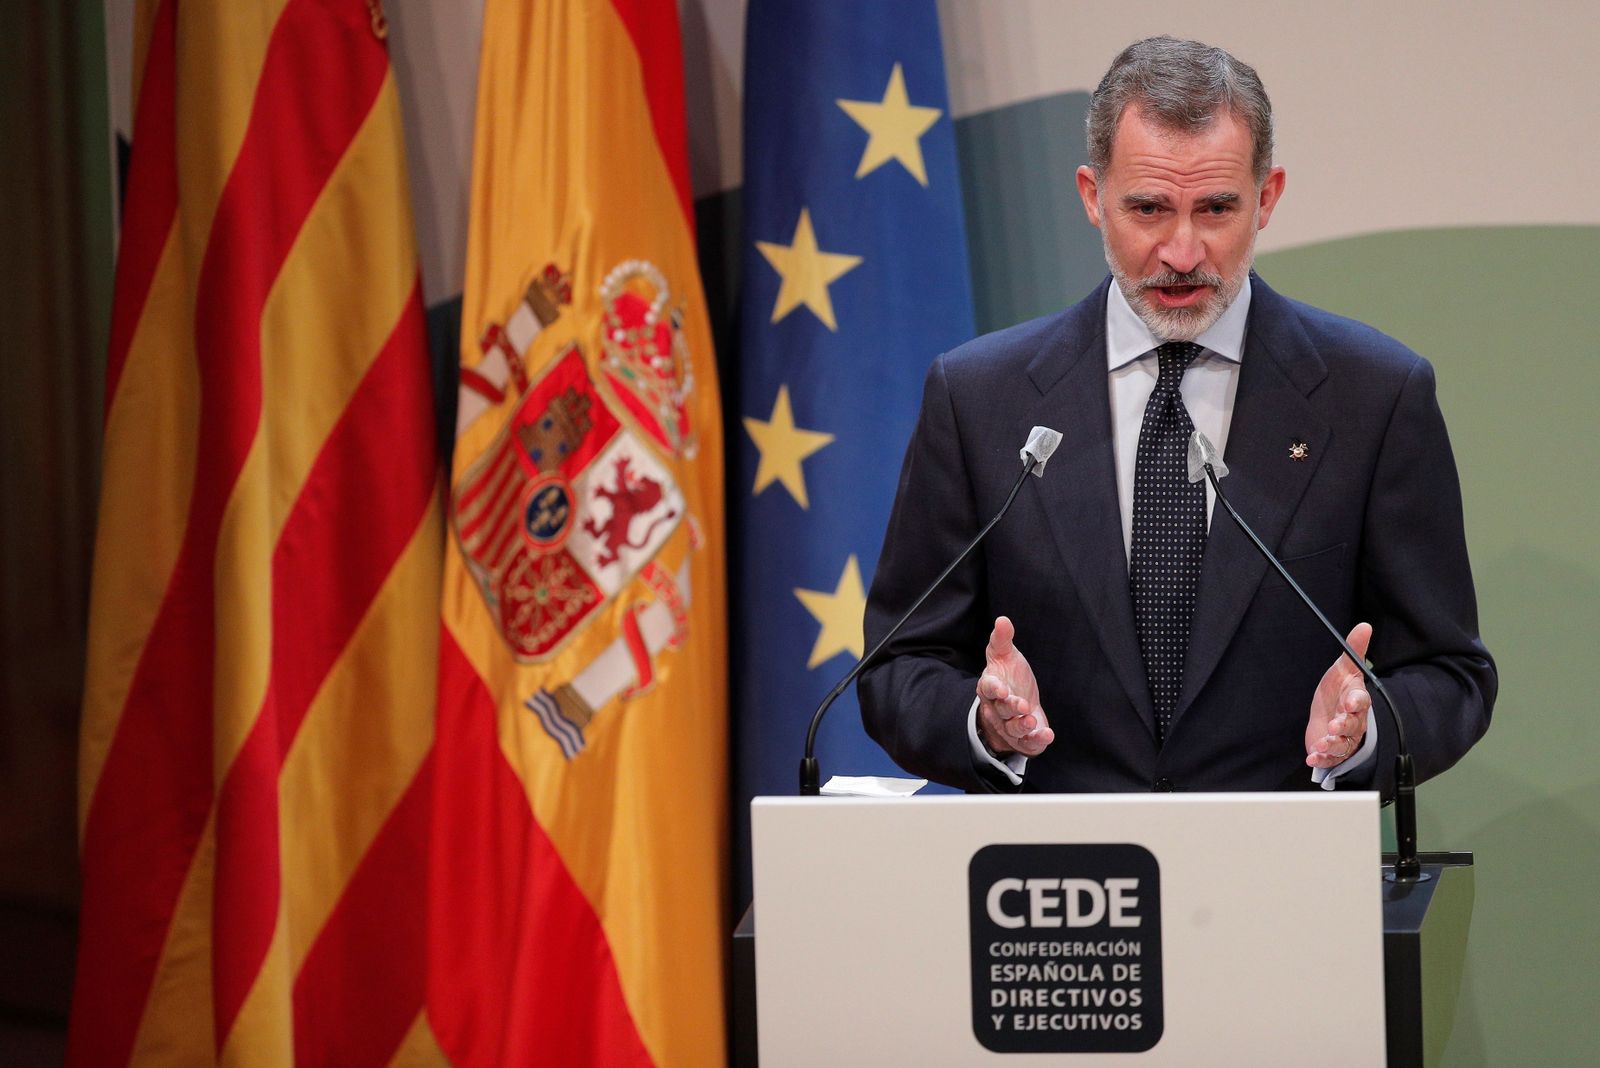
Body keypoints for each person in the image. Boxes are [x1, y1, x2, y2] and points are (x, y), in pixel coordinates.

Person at [858, 36, 1495, 796]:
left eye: (1217, 208)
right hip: (1055, 885)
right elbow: (899, 667)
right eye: (1149, 208)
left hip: (1282, 880)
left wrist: (1365, 730)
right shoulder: (978, 398)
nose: (1184, 251)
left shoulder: (1376, 397)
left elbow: (1450, 673)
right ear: (1094, 197)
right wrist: (983, 721)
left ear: (1267, 196)